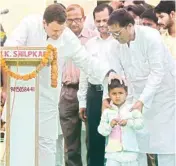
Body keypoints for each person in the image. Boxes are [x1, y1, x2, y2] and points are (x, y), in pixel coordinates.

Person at [2, 4, 115, 166]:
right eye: (54, 31)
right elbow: (9, 49)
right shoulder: (29, 24)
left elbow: (87, 61)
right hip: (21, 93)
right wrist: (37, 55)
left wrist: (108, 72)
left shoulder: (67, 37)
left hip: (49, 95)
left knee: (47, 142)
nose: (58, 35)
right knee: (20, 140)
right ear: (44, 23)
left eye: (61, 30)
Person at [107, 9, 175, 166]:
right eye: (112, 34)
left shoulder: (151, 37)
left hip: (165, 95)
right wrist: (112, 100)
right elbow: (116, 75)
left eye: (117, 33)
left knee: (166, 145)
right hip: (137, 95)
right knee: (137, 143)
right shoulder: (115, 45)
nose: (115, 37)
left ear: (130, 26)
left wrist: (143, 100)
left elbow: (157, 73)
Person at [78, 4, 121, 166]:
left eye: (105, 20)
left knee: (115, 138)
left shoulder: (119, 43)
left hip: (115, 96)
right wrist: (82, 101)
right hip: (94, 95)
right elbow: (84, 73)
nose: (102, 24)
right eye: (98, 21)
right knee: (94, 140)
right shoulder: (90, 44)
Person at [58, 4, 97, 166]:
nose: (74, 23)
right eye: (70, 20)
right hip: (67, 91)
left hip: (89, 92)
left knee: (92, 138)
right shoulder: (59, 38)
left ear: (84, 19)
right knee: (70, 142)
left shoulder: (93, 38)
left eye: (78, 19)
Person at [98, 79, 144, 166]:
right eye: (114, 93)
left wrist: (128, 123)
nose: (117, 96)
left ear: (126, 94)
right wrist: (110, 125)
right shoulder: (107, 112)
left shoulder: (131, 109)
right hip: (113, 154)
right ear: (109, 95)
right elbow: (101, 130)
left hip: (130, 152)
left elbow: (141, 124)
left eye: (120, 93)